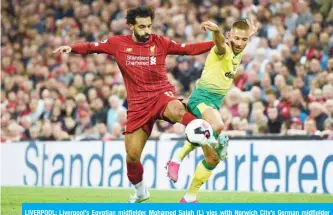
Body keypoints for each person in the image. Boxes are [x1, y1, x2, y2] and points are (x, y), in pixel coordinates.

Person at [53, 6, 215, 203]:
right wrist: (73, 48)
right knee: (132, 156)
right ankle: (140, 192)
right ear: (131, 26)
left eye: (149, 26)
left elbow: (188, 49)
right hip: (138, 105)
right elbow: (92, 47)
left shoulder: (160, 42)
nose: (147, 30)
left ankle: (206, 133)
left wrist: (215, 43)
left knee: (177, 109)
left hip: (160, 94)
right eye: (142, 26)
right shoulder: (117, 44)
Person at [167, 17, 259, 203]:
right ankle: (177, 158)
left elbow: (241, 37)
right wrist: (216, 32)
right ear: (229, 36)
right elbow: (219, 44)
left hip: (214, 103)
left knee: (213, 160)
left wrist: (249, 33)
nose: (240, 43)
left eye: (244, 40)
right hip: (201, 99)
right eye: (237, 39)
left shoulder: (238, 47)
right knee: (217, 125)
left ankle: (189, 197)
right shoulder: (222, 49)